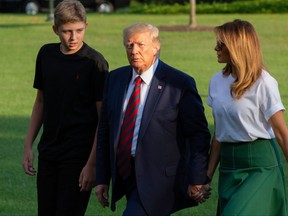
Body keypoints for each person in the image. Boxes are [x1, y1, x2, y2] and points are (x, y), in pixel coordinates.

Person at [95, 22, 211, 216]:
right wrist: (102, 178)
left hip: (159, 180)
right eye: (129, 45)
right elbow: (106, 130)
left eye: (141, 45)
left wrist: (198, 177)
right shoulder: (115, 79)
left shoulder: (179, 83)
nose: (134, 51)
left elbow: (198, 134)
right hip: (125, 173)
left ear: (156, 46)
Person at [22, 0, 108, 215]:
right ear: (55, 30)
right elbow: (41, 101)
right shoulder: (46, 55)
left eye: (79, 31)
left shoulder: (95, 63)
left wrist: (92, 164)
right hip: (49, 151)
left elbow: (103, 118)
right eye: (66, 31)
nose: (73, 38)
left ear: (86, 27)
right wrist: (27, 145)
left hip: (79, 156)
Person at [206, 19, 288, 216]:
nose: (215, 48)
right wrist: (207, 176)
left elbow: (281, 134)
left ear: (236, 47)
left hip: (260, 165)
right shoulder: (217, 81)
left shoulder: (264, 83)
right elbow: (219, 133)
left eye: (221, 44)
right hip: (229, 165)